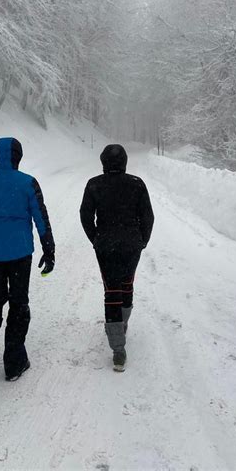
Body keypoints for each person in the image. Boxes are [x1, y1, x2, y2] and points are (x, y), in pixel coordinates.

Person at [0, 137, 55, 381]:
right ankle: (14, 363)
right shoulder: (28, 183)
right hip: (20, 254)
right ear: (18, 156)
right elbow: (41, 219)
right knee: (18, 304)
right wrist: (49, 250)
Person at [80, 144, 154, 371]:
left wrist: (96, 238)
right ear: (125, 162)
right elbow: (148, 217)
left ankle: (118, 350)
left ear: (103, 162)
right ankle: (122, 324)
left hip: (105, 245)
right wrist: (142, 241)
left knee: (111, 290)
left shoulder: (94, 184)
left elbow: (85, 215)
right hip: (132, 244)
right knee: (127, 283)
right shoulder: (137, 184)